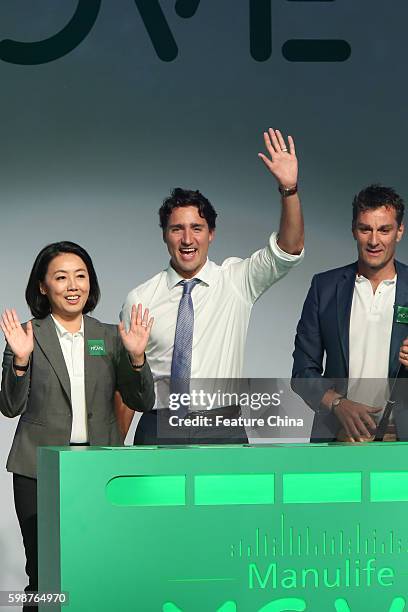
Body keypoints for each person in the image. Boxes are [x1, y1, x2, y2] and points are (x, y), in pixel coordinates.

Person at [121, 128, 304, 444]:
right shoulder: (141, 298)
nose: (187, 239)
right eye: (177, 229)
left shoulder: (236, 281)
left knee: (226, 496)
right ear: (165, 234)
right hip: (158, 425)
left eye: (197, 228)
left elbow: (288, 249)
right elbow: (125, 383)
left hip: (221, 425)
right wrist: (108, 454)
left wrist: (289, 189)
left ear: (212, 233)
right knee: (156, 496)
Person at [0, 241, 154, 606]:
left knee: (98, 565)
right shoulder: (27, 335)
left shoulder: (111, 336)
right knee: (43, 572)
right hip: (39, 471)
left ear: (91, 283)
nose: (73, 286)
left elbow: (142, 401)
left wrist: (136, 358)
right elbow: (9, 405)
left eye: (80, 276)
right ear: (42, 286)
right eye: (61, 277)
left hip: (99, 470)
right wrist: (20, 361)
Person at [292, 184, 408, 443]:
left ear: (399, 231)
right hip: (339, 437)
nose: (374, 240)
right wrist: (337, 403)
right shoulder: (325, 287)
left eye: (384, 230)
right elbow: (301, 373)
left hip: (402, 440)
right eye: (365, 229)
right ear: (354, 229)